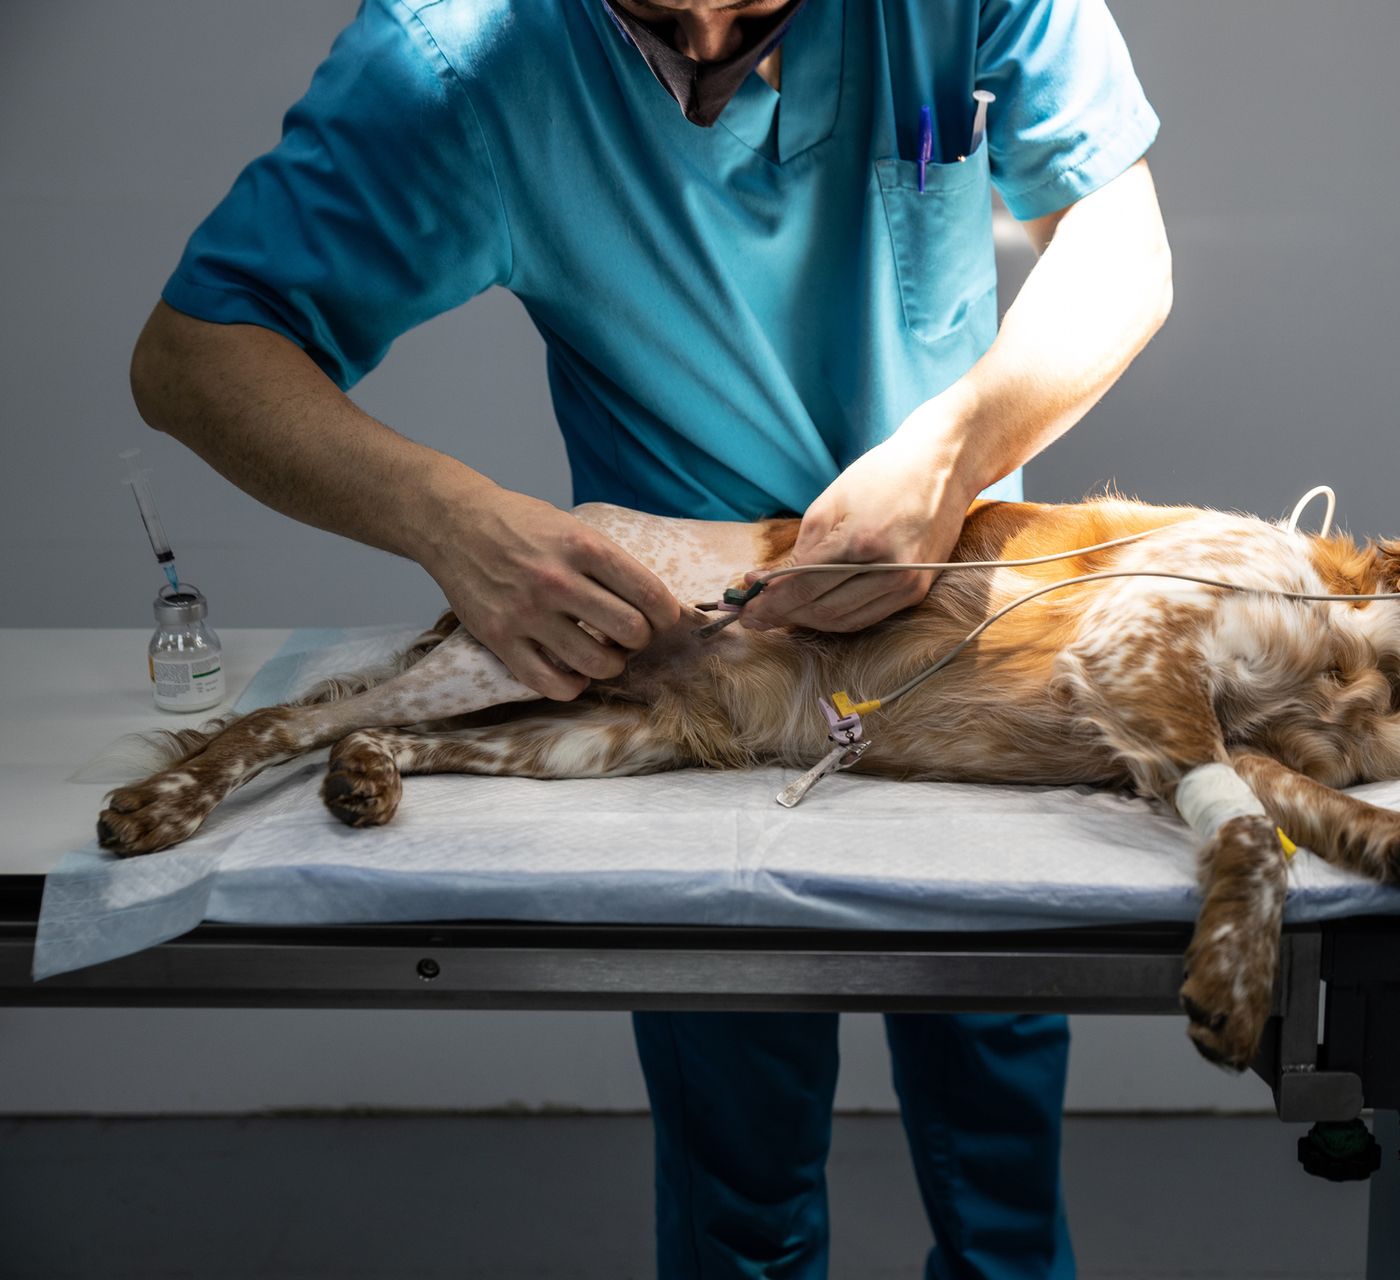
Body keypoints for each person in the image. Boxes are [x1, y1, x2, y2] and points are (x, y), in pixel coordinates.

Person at [131, 0, 1171, 1273]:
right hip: (688, 679)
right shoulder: (463, 52)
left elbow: (1120, 240)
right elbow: (193, 353)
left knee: (1001, 1125)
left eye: (755, 13)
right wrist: (445, 516)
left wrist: (954, 449)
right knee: (742, 1160)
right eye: (665, 21)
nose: (714, 48)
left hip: (955, 628)